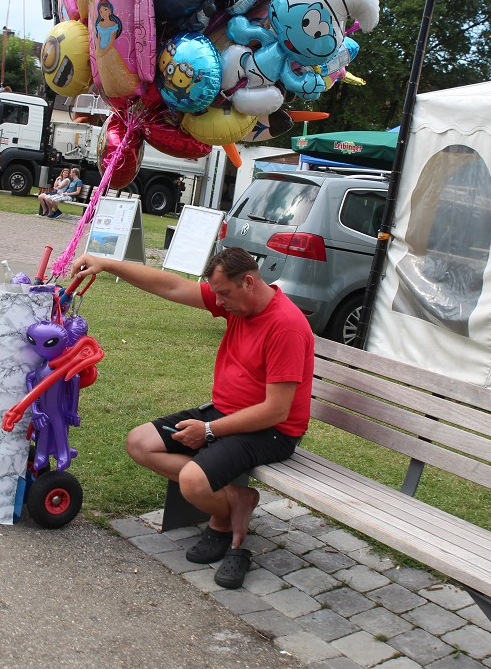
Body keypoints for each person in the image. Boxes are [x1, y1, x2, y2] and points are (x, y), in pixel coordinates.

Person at [70, 246, 314, 588]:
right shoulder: (238, 302)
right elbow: (171, 286)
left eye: (224, 294)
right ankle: (235, 501)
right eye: (216, 294)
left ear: (248, 282)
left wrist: (210, 431)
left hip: (271, 430)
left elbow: (276, 410)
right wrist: (106, 263)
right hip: (225, 412)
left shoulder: (284, 325)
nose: (219, 302)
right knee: (140, 443)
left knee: (193, 482)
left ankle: (222, 520)